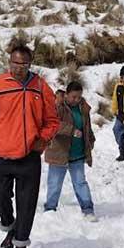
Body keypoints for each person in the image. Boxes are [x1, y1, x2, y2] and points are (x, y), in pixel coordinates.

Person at [0, 45, 60, 248]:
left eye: (23, 64)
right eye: (15, 63)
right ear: (9, 62)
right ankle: (10, 227)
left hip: (30, 156)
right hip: (2, 154)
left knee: (27, 203)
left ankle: (21, 244)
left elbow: (52, 120)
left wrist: (42, 140)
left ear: (30, 64)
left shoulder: (41, 87)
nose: (19, 68)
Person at [44, 81, 97, 221]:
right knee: (54, 183)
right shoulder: (58, 106)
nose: (76, 100)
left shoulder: (83, 108)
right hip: (59, 153)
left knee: (80, 183)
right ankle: (50, 209)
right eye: (73, 97)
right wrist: (71, 130)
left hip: (78, 154)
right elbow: (53, 124)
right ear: (66, 94)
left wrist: (90, 140)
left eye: (79, 97)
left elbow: (87, 127)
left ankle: (88, 209)